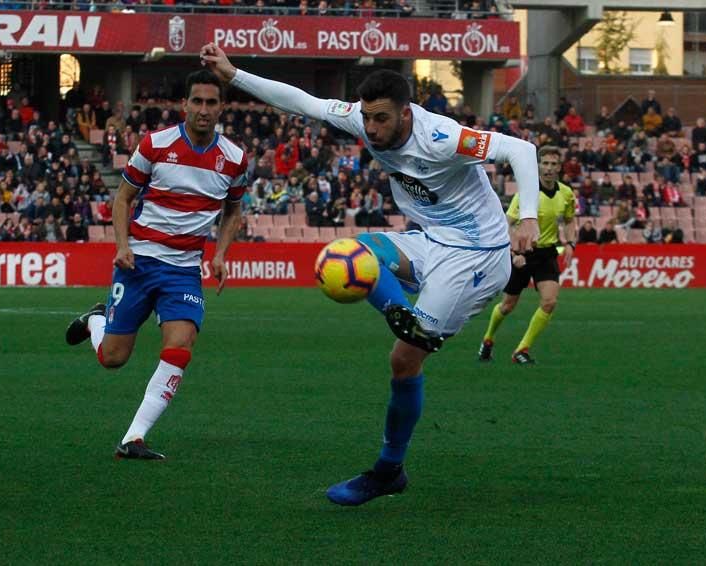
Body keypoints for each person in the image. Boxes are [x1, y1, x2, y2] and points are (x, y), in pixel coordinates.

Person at [200, 43, 539, 506]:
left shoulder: (442, 136)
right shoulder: (363, 119)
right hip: (430, 239)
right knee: (352, 251)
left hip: (478, 256)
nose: (372, 129)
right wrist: (233, 74)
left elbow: (521, 149)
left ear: (405, 114)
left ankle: (387, 470)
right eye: (367, 118)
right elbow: (303, 102)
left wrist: (529, 217)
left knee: (404, 361)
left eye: (382, 119)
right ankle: (403, 312)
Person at [64, 70, 248, 460]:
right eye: (196, 101)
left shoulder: (234, 159)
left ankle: (133, 438)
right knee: (112, 358)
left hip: (183, 270)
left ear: (221, 108)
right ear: (184, 105)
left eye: (211, 102)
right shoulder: (155, 145)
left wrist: (220, 254)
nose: (203, 109)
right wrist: (122, 245)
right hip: (140, 263)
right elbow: (122, 199)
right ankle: (95, 320)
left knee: (181, 345)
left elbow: (233, 211)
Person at [479, 145, 575, 365]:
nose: (549, 168)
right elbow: (507, 224)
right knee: (507, 305)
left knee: (549, 302)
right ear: (538, 165)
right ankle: (488, 338)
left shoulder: (566, 193)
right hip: (523, 253)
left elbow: (570, 219)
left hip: (547, 254)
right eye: (545, 163)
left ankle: (521, 350)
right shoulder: (526, 195)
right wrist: (513, 252)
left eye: (553, 164)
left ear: (559, 167)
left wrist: (570, 243)